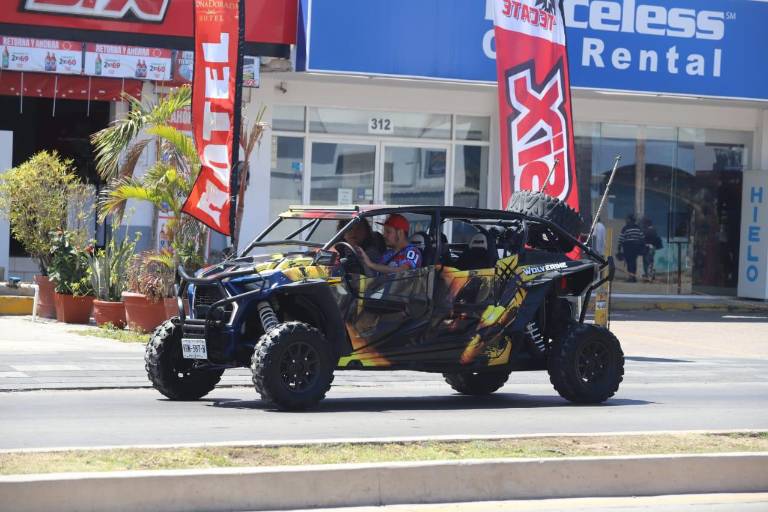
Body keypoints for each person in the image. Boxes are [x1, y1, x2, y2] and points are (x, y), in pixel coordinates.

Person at [356, 213, 422, 274]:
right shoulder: (388, 253)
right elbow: (377, 273)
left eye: (388, 232)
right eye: (384, 231)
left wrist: (371, 264)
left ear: (400, 233)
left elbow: (403, 271)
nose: (384, 235)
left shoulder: (412, 252)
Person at [617, 214, 645, 282]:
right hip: (636, 248)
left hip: (628, 247)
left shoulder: (625, 228)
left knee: (629, 262)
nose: (626, 220)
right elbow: (642, 238)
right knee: (633, 262)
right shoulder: (638, 228)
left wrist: (619, 249)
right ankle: (633, 277)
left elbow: (621, 239)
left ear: (630, 220)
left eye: (627, 219)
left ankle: (631, 277)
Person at [641, 217, 663, 282]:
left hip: (647, 248)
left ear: (647, 223)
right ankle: (650, 275)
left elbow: (643, 240)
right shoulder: (654, 230)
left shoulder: (645, 231)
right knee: (650, 262)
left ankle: (648, 276)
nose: (643, 224)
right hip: (653, 248)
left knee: (646, 262)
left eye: (644, 223)